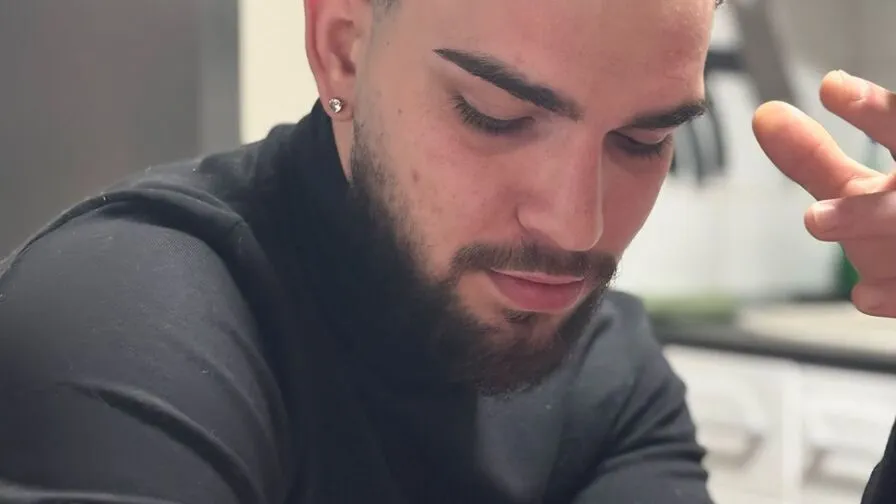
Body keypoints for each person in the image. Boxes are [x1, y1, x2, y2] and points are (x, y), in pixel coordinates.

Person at [0, 0, 894, 502]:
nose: (575, 228)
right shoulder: (124, 327)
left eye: (642, 141)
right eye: (495, 115)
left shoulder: (604, 368)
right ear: (343, 50)